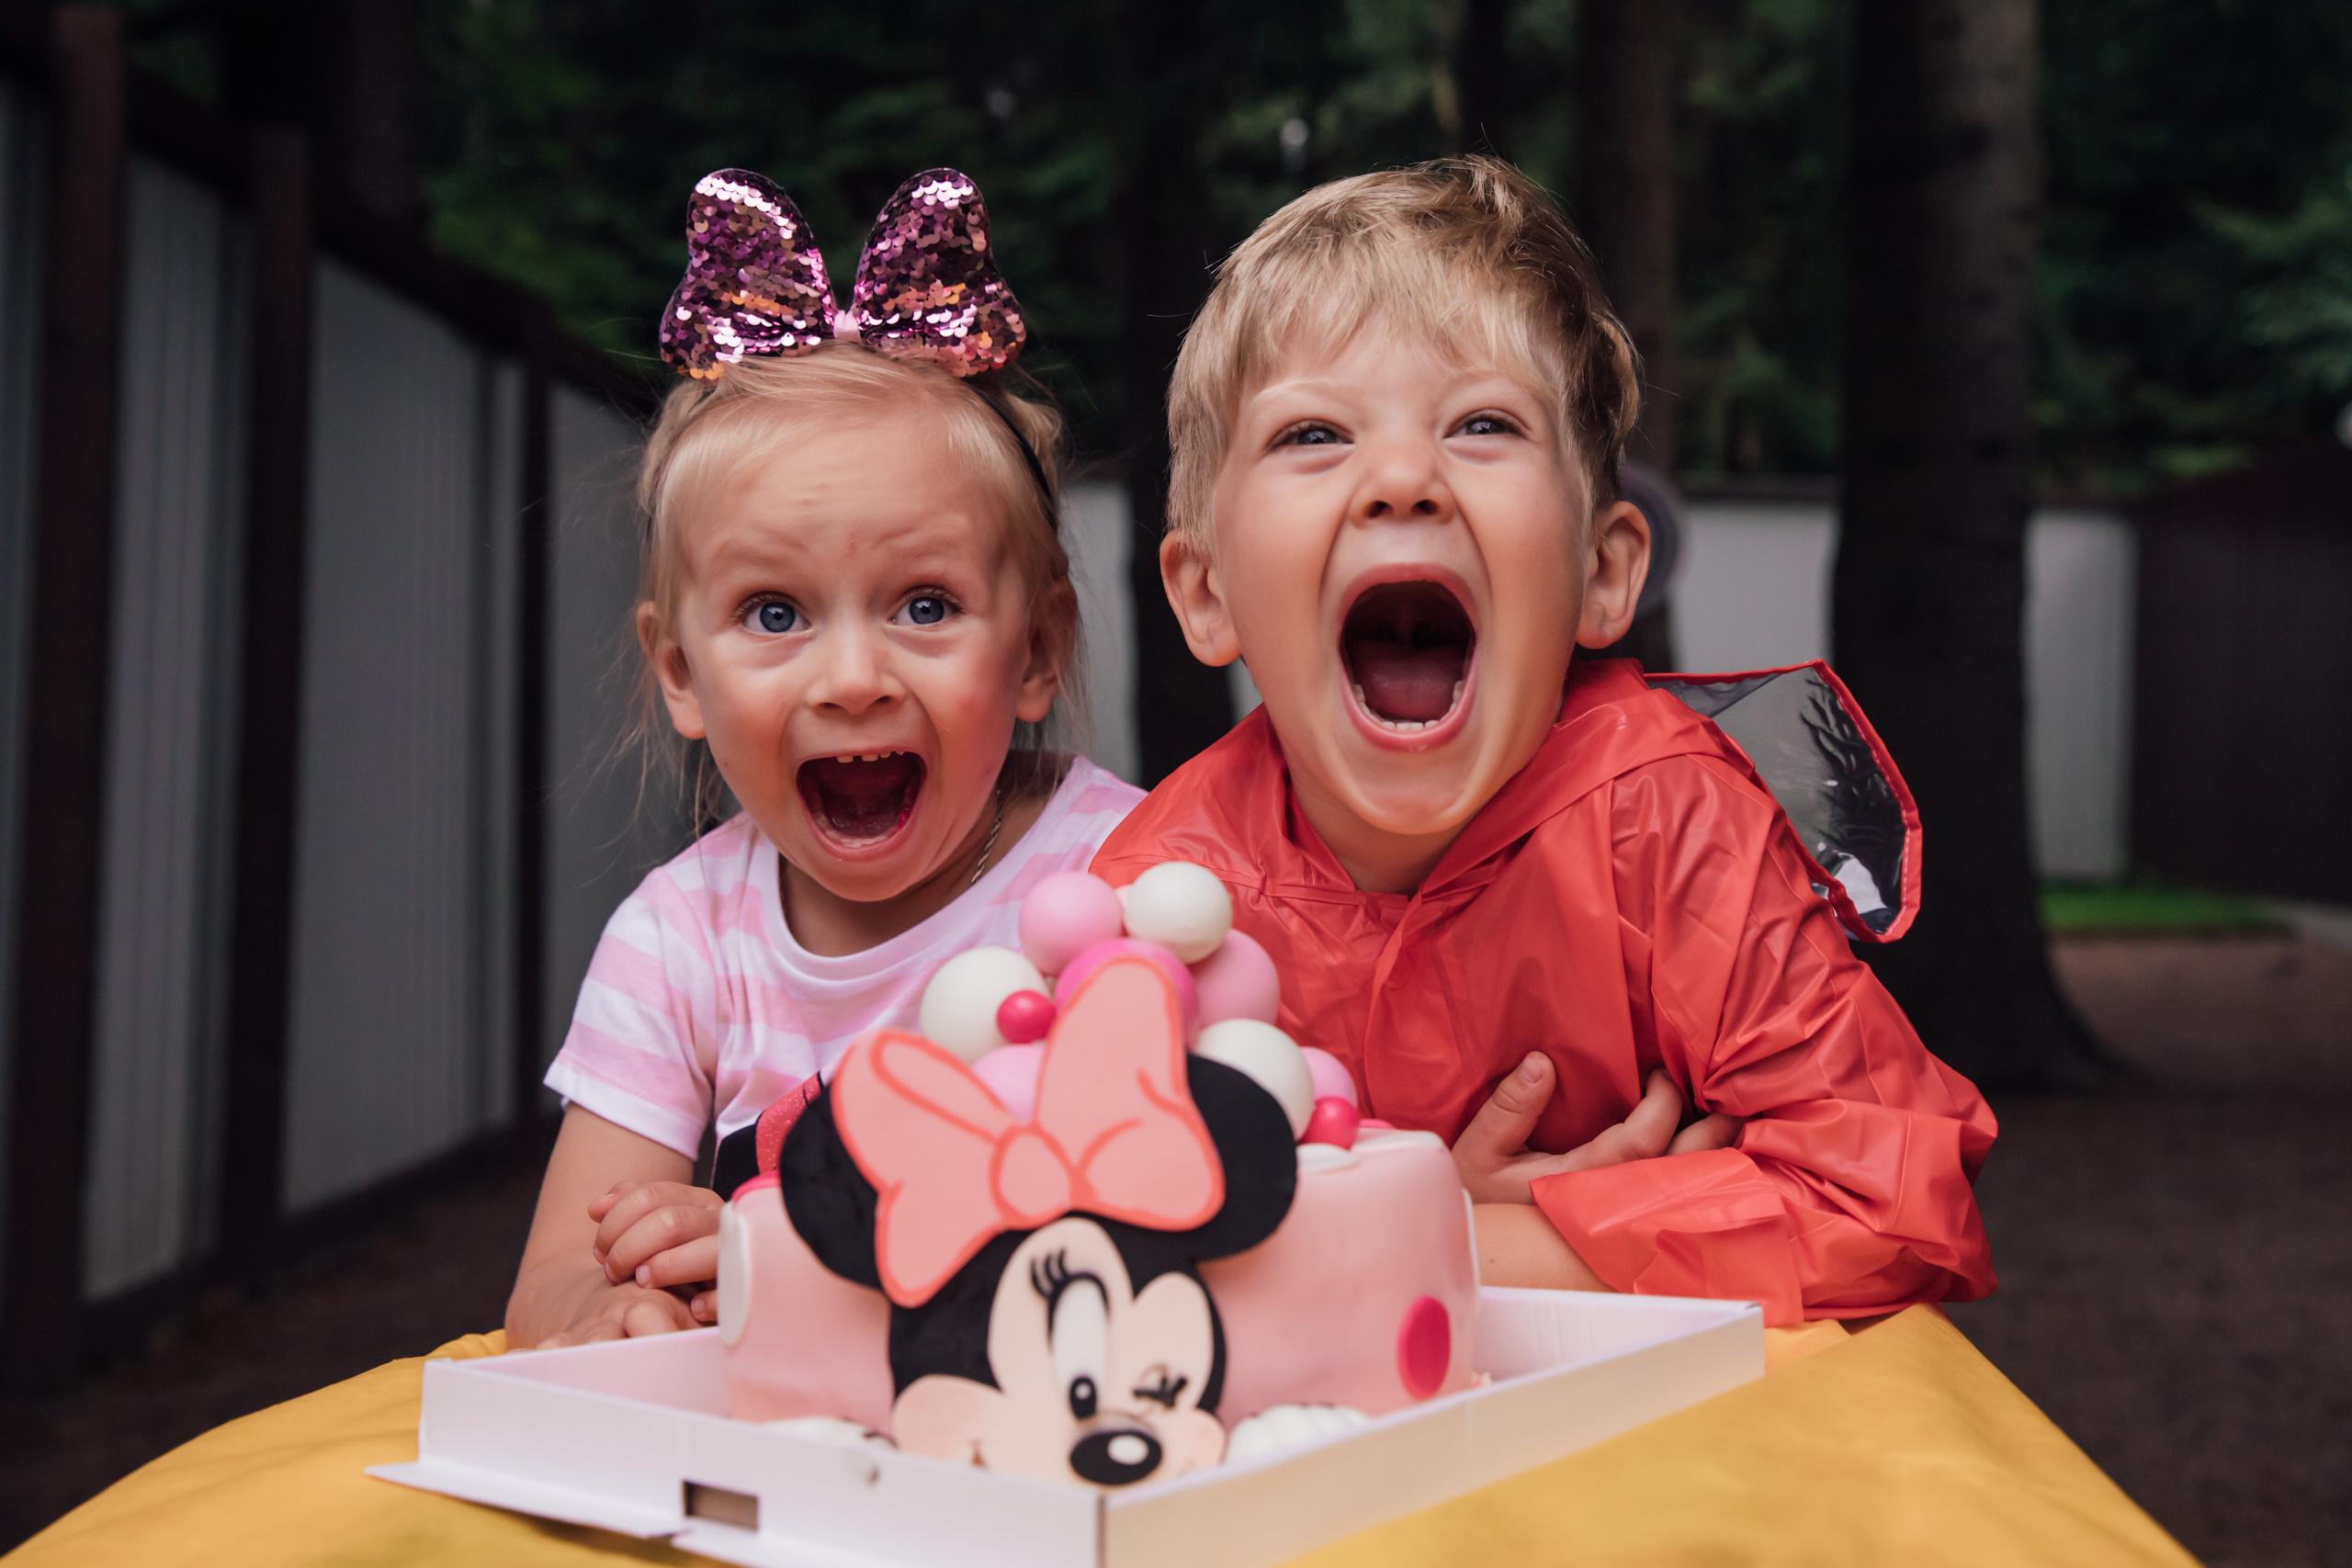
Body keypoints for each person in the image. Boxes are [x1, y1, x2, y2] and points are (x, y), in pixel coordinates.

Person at [1092, 158, 1996, 1325]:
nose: (1403, 479)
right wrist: (1428, 1217)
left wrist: (1466, 1242)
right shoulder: (1161, 898)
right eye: (1314, 433)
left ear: (1602, 572)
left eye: (1482, 424)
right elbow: (1098, 1244)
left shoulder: (1668, 820)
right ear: (1207, 590)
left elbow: (1894, 1200)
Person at [506, 169, 1141, 1348]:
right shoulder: (678, 940)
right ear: (682, 675)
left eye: (925, 604)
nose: (852, 679)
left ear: (1038, 648)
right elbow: (548, 1291)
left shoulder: (1124, 876)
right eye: (776, 615)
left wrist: (789, 1259)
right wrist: (619, 1310)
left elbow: (1185, 1220)